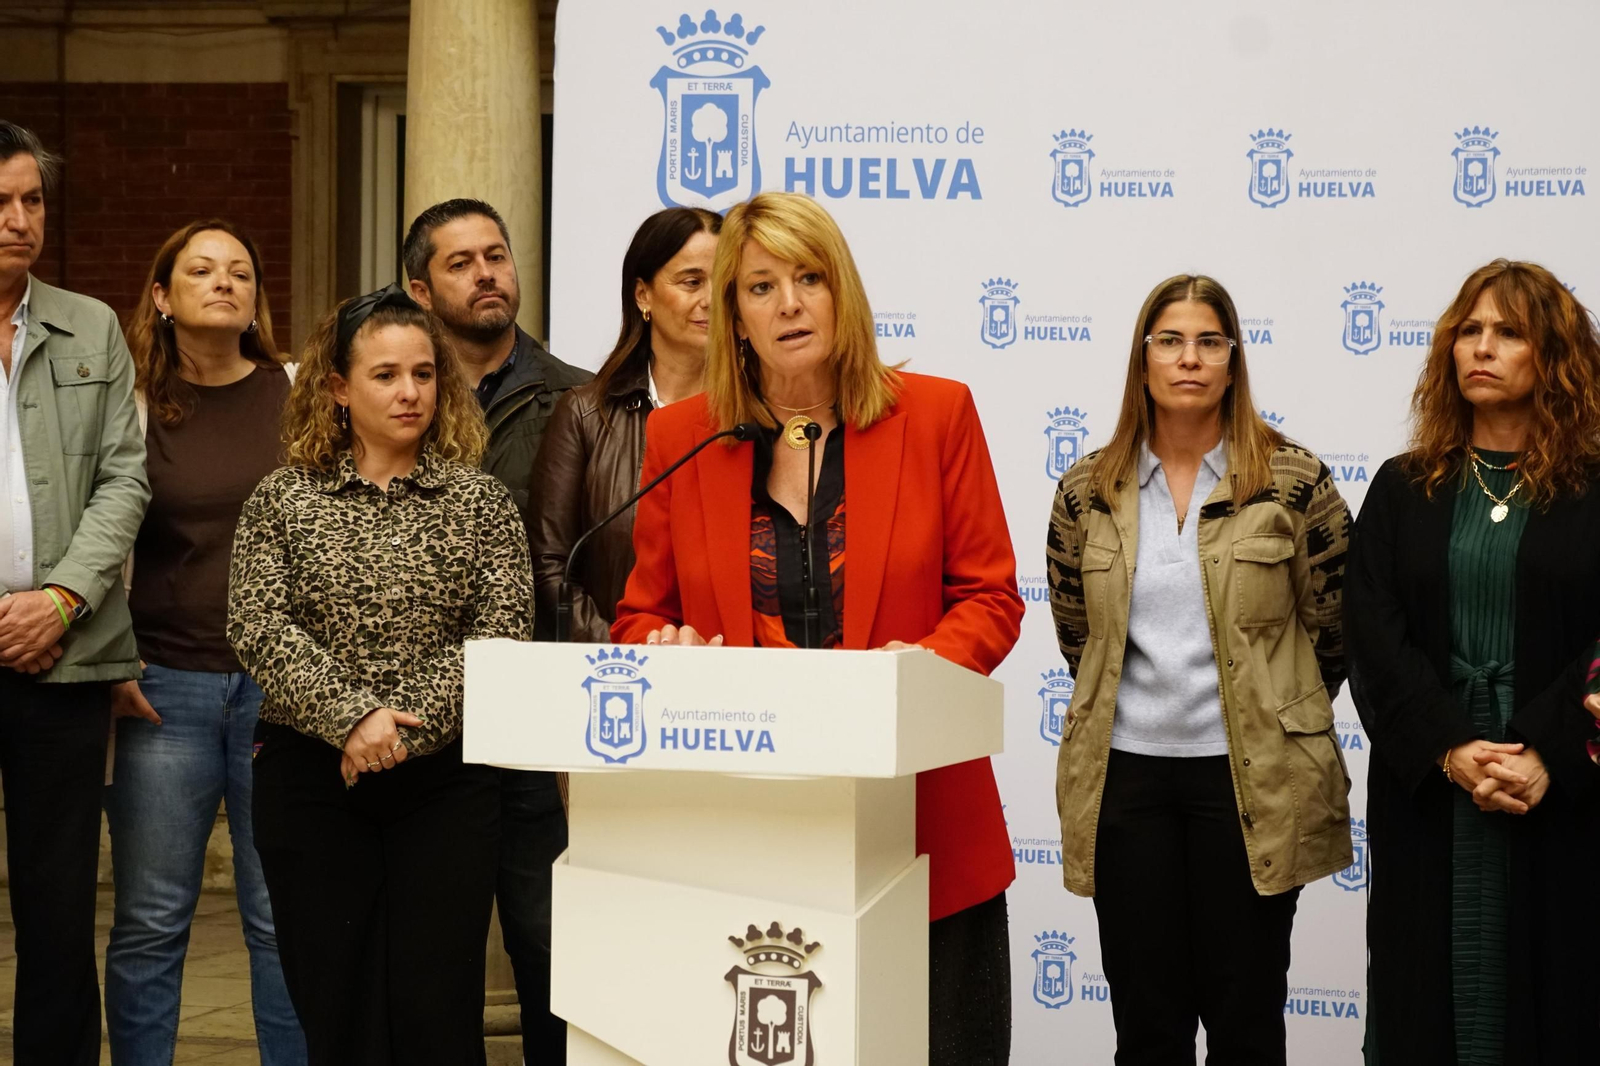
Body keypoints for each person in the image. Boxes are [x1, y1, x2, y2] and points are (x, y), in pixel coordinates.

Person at [612, 191, 1022, 1065]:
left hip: (923, 829)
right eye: (761, 287)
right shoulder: (683, 437)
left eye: (809, 278)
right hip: (755, 835)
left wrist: (922, 669)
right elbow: (641, 615)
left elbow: (990, 597)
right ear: (734, 315)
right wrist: (662, 648)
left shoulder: (937, 414)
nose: (789, 304)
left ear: (845, 293)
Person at [1046, 274, 1352, 1066]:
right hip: (1129, 785)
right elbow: (1079, 635)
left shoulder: (1292, 479)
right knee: (1148, 1029)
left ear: (1233, 359)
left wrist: (1267, 705)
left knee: (1247, 1021)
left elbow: (1334, 627)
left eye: (1209, 342)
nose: (1190, 359)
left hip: (1248, 781)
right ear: (1142, 358)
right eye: (1170, 341)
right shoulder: (1087, 490)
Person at [227, 284, 533, 1065]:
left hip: (448, 786)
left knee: (438, 1008)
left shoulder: (480, 502)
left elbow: (499, 632)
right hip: (312, 778)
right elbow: (258, 625)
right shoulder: (283, 500)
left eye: (424, 375)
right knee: (337, 1006)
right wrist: (351, 719)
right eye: (387, 375)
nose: (410, 393)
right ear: (337, 388)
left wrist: (400, 729)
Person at [1345, 259, 1600, 1064]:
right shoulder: (1400, 488)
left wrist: (1549, 754)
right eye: (1470, 330)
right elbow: (1371, 639)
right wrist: (1451, 749)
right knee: (1423, 1005)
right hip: (1430, 794)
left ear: (1552, 356)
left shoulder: (1595, 487)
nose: (1482, 348)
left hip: (1565, 802)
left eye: (1510, 332)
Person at [103, 219, 306, 1065]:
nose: (224, 283)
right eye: (201, 270)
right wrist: (110, 660)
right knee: (151, 921)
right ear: (162, 297)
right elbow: (99, 535)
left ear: (257, 297)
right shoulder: (134, 406)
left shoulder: (298, 393)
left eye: (240, 272)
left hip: (280, 692)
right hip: (164, 688)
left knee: (280, 917)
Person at [403, 197, 589, 1059]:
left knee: (550, 945)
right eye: (460, 261)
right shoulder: (393, 392)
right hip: (416, 717)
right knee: (429, 958)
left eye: (498, 255)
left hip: (534, 711)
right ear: (418, 286)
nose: (487, 274)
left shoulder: (577, 399)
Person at [0, 120, 150, 1065]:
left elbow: (124, 478)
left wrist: (59, 599)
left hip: (62, 656)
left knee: (59, 910)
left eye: (32, 200)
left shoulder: (89, 323)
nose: (19, 221)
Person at [529, 205, 720, 642]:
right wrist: (629, 652)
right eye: (692, 282)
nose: (712, 299)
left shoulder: (761, 416)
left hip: (732, 672)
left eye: (726, 283)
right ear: (643, 296)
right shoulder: (584, 415)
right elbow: (551, 568)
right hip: (611, 675)